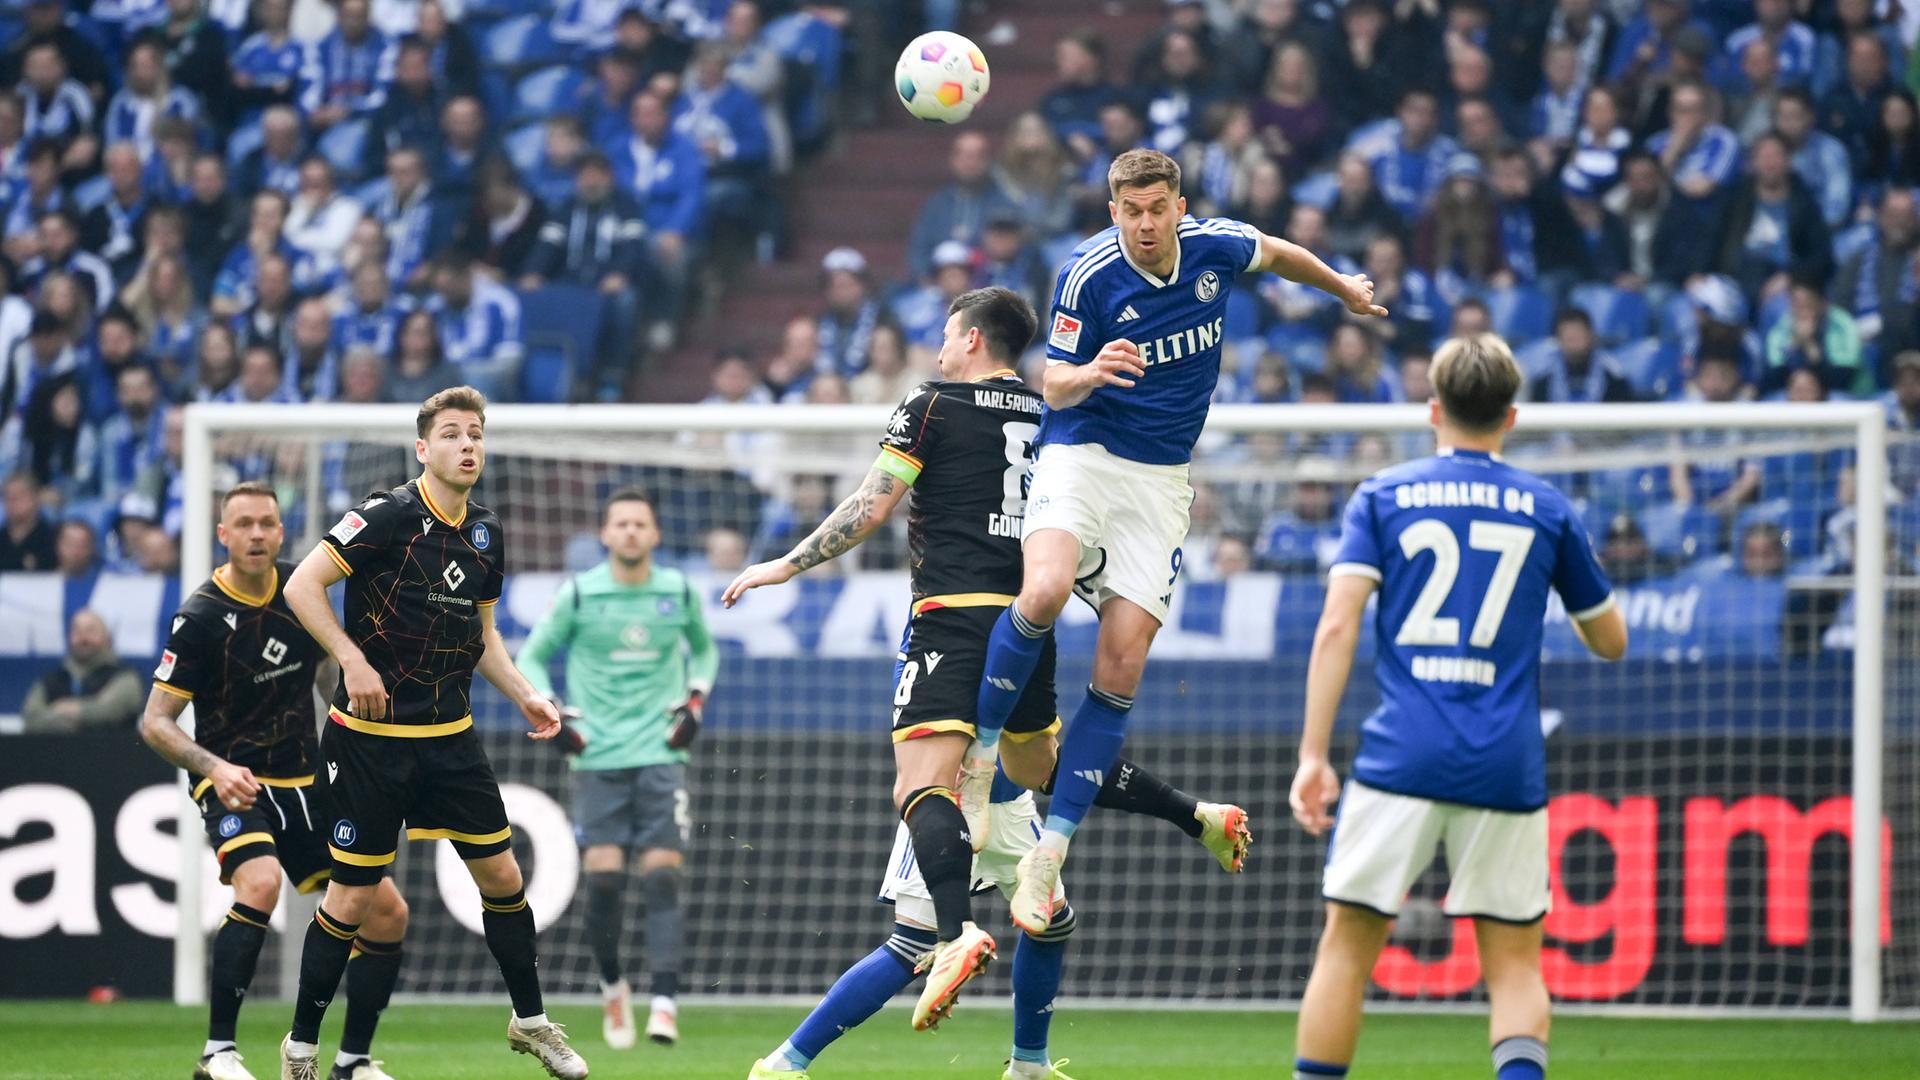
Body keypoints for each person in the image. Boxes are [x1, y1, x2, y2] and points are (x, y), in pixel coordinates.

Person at [724, 287, 1252, 1047]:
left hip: (953, 618)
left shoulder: (933, 402)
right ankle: (1189, 819)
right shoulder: (1054, 413)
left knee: (920, 787)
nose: (938, 348)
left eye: (945, 334)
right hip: (1027, 626)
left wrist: (785, 564)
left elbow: (872, 507)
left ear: (973, 340)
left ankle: (954, 936)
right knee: (1042, 767)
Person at [962, 150, 1380, 934]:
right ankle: (979, 764)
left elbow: (1282, 254)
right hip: (1083, 452)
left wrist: (1346, 289)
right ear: (1113, 211)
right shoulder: (1088, 275)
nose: (1146, 224)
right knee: (1043, 590)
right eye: (1131, 211)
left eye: (1158, 208)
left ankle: (1051, 850)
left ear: (1180, 206)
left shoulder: (1216, 247)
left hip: (1159, 483)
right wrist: (1091, 370)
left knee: (1121, 663)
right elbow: (1048, 382)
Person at [1288, 333, 1629, 1080]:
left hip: (1400, 755)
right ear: (1511, 417)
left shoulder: (1383, 494)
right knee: (1512, 966)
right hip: (1505, 760)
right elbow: (1611, 640)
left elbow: (1338, 625)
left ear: (1433, 410)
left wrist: (1313, 757)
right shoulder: (1547, 507)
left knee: (1346, 949)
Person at [278, 387, 587, 1080]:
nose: (467, 445)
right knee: (353, 900)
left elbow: (483, 637)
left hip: (450, 738)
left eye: (475, 434)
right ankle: (301, 1048)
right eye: (451, 434)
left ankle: (531, 1023)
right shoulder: (387, 516)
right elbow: (301, 585)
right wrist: (350, 660)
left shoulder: (486, 532)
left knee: (505, 877)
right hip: (370, 740)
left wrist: (529, 695)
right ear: (423, 449)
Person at [139, 482, 411, 1080]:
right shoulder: (201, 617)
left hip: (308, 781)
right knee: (258, 885)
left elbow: (322, 678)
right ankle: (218, 1054)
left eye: (267, 522)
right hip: (235, 780)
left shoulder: (300, 591)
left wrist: (359, 742)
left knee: (387, 915)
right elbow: (155, 722)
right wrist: (212, 768)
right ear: (224, 535)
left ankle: (353, 1061)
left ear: (281, 532)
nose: (256, 534)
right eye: (244, 524)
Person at [514, 489, 718, 1049]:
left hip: (660, 752)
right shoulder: (580, 594)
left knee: (662, 876)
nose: (630, 532)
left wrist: (696, 697)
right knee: (604, 878)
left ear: (654, 535)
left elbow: (704, 650)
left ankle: (666, 1004)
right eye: (621, 524)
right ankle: (612, 987)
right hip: (598, 755)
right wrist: (551, 704)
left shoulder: (676, 590)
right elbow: (531, 655)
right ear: (605, 534)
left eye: (640, 524)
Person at [22, 608, 143, 732]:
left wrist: (64, 709)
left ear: (107, 637)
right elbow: (31, 718)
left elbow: (111, 710)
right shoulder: (52, 679)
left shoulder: (124, 676)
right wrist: (81, 715)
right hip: (56, 750)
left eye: (91, 631)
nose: (83, 638)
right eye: (77, 631)